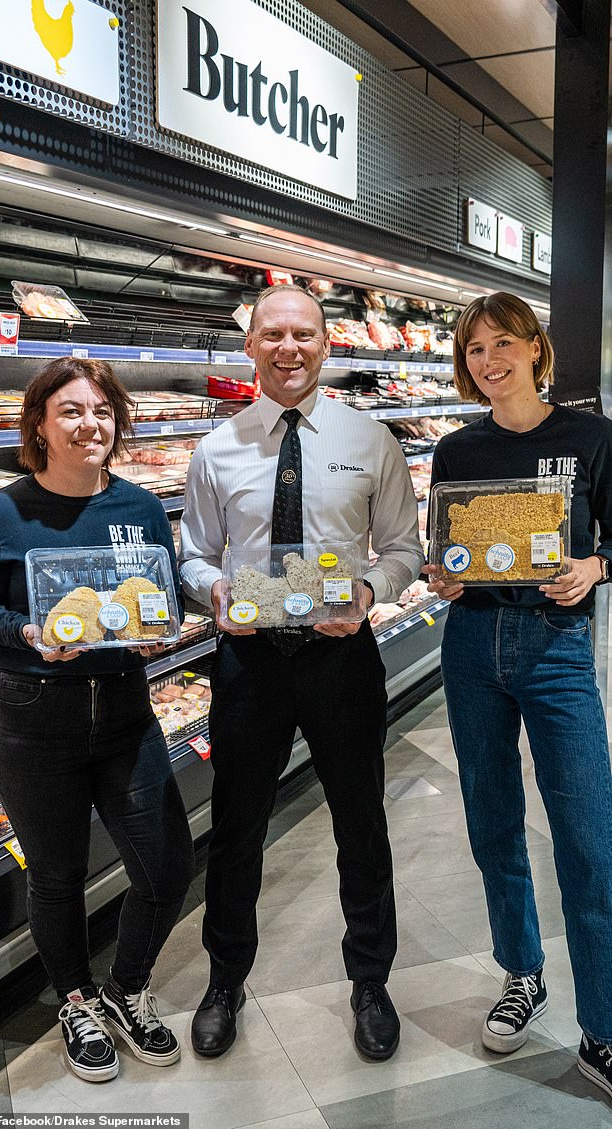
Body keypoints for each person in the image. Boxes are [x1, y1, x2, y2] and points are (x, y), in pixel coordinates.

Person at [179, 284, 423, 1061]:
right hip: (250, 660)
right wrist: (212, 589)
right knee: (237, 827)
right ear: (250, 346)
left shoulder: (371, 438)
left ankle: (372, 980)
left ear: (327, 345)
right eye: (273, 334)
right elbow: (193, 552)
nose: (289, 348)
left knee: (361, 822)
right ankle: (224, 981)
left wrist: (367, 591)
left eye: (305, 335)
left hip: (341, 656)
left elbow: (404, 550)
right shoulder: (217, 448)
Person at [0, 358, 194, 1083]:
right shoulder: (1, 511)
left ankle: (127, 987)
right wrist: (26, 631)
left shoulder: (138, 506)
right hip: (33, 717)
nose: (88, 423)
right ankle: (74, 999)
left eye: (101, 410)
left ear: (117, 421)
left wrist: (164, 626)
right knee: (59, 877)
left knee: (166, 864)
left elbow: (161, 596)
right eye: (69, 410)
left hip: (126, 709)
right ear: (39, 424)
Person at [426, 292, 612, 1100]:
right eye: (474, 350)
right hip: (471, 644)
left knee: (588, 834)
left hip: (557, 648)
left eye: (503, 343)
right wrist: (443, 574)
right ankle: (522, 972)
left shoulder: (593, 438)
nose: (490, 361)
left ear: (536, 348)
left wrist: (596, 567)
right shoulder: (455, 449)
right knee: (492, 819)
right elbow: (449, 551)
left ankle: (603, 1025)